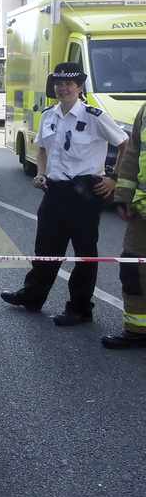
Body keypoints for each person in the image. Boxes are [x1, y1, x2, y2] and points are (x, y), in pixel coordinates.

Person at [1, 62, 126, 326]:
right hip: (55, 191)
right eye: (58, 83)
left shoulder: (94, 115)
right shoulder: (49, 115)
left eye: (69, 84)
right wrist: (41, 173)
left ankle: (80, 309)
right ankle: (32, 296)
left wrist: (114, 178)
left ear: (80, 87)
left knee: (84, 253)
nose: (63, 88)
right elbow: (43, 149)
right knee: (45, 248)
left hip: (85, 192)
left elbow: (124, 143)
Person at [104, 101, 146, 349]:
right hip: (142, 213)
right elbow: (132, 154)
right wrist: (122, 197)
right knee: (133, 270)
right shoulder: (145, 110)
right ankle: (137, 329)